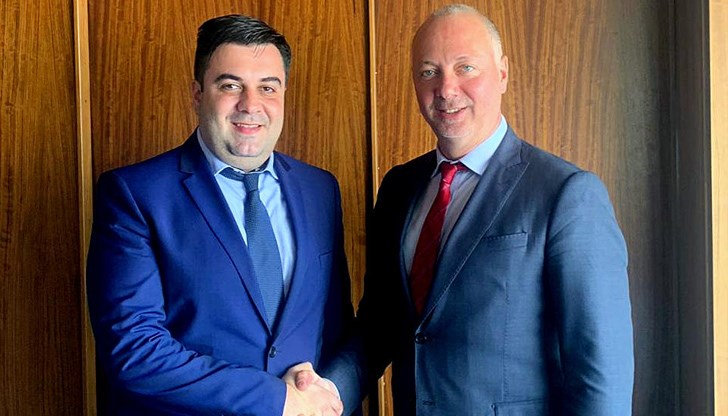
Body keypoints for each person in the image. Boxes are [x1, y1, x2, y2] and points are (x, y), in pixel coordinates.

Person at [300, 4, 634, 415]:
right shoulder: (399, 188)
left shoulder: (565, 194)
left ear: (503, 73)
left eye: (466, 68)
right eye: (429, 72)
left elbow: (601, 371)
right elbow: (379, 326)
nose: (446, 89)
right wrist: (323, 395)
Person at [87, 14, 351, 415]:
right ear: (197, 94)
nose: (251, 105)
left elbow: (336, 327)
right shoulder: (134, 194)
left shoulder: (320, 190)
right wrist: (278, 400)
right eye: (230, 86)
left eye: (268, 87)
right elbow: (134, 349)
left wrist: (325, 398)